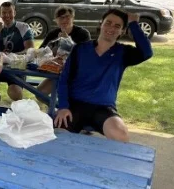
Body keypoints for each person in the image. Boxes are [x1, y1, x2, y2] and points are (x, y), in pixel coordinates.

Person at [54, 9, 153, 142]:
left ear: (122, 31)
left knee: (120, 135)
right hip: (75, 106)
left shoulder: (123, 52)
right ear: (101, 24)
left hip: (103, 108)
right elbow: (64, 79)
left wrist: (134, 24)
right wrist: (63, 107)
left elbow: (147, 52)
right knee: (56, 136)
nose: (111, 28)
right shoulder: (80, 49)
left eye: (117, 26)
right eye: (108, 23)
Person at [0, 1, 34, 101]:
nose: (7, 15)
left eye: (10, 12)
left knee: (15, 92)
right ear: (0, 14)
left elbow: (30, 50)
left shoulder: (23, 27)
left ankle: (19, 110)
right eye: (4, 13)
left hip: (17, 67)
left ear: (14, 13)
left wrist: (10, 56)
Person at [37, 6, 91, 95]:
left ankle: (61, 107)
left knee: (69, 98)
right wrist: (51, 50)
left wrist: (68, 41)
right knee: (40, 92)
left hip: (77, 75)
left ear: (73, 18)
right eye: (61, 17)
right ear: (56, 20)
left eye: (67, 17)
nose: (64, 20)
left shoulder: (83, 33)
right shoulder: (53, 34)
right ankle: (54, 108)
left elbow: (84, 55)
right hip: (55, 72)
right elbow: (40, 52)